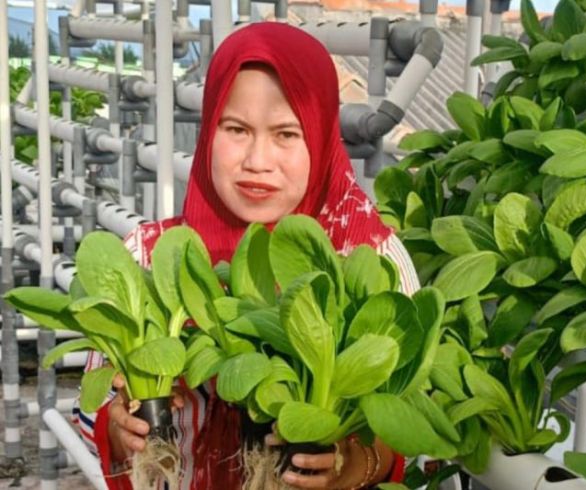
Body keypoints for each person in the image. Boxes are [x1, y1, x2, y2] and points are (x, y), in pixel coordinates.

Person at [72, 21, 421, 489]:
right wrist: (118, 431)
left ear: (320, 137)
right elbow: (93, 407)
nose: (258, 160)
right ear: (208, 128)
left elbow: (414, 429)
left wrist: (350, 466)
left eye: (286, 134)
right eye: (235, 128)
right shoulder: (149, 254)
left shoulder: (370, 256)